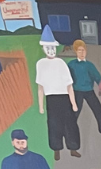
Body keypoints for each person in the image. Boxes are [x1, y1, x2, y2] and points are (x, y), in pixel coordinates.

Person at [34, 26, 79, 161]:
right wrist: (41, 106)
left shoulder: (61, 63)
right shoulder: (40, 64)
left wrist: (73, 103)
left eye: (53, 48)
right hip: (51, 99)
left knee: (69, 123)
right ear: (43, 49)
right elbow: (40, 87)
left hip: (64, 97)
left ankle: (73, 147)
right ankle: (56, 148)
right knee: (54, 124)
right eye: (48, 48)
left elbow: (69, 85)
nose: (51, 51)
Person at [66, 39, 101, 136]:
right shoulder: (71, 65)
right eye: (79, 50)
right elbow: (66, 79)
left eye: (83, 50)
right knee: (74, 111)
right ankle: (69, 131)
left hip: (89, 90)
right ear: (75, 51)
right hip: (76, 91)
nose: (82, 53)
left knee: (97, 108)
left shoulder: (89, 65)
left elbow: (98, 77)